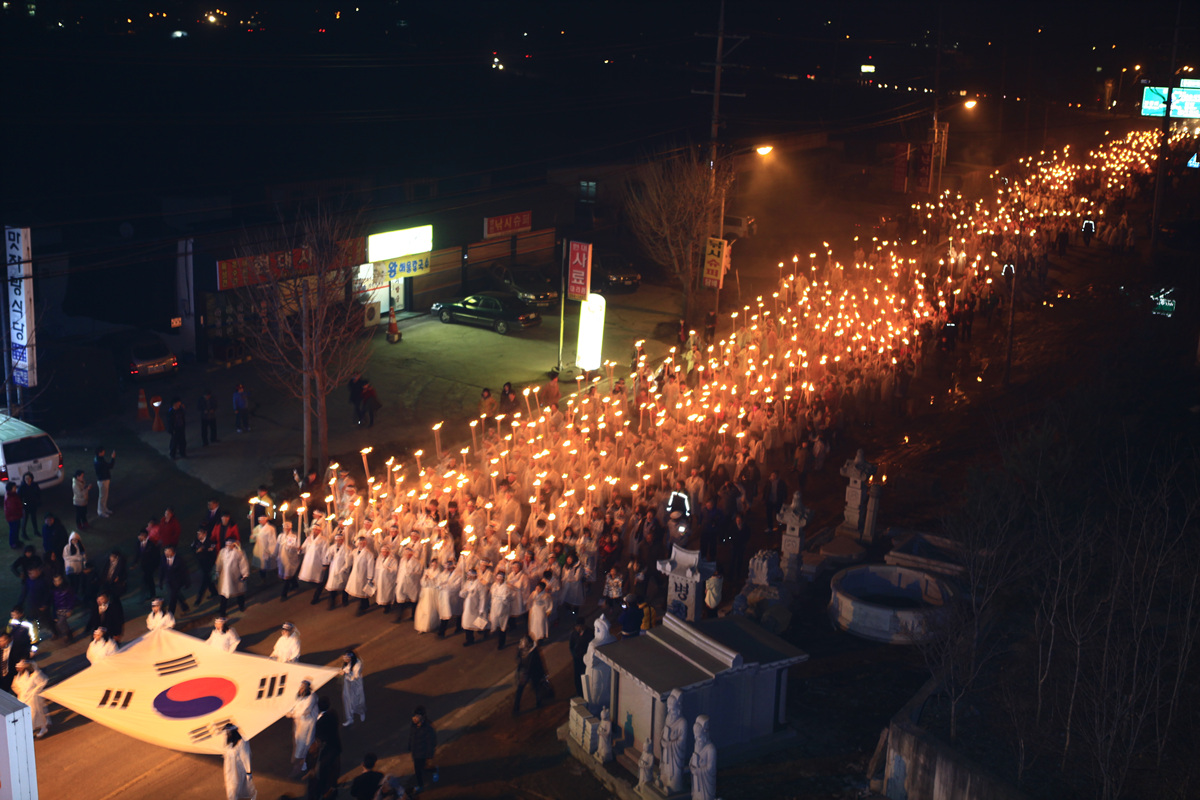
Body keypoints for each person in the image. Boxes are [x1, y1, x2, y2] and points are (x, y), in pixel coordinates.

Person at [309, 696, 343, 799]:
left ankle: (324, 790)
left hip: (327, 749)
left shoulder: (320, 722)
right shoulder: (333, 713)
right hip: (336, 745)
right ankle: (333, 788)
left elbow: (319, 738)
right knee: (335, 768)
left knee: (324, 771)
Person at [285, 679, 318, 777]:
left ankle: (301, 765)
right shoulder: (299, 696)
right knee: (298, 743)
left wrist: (293, 714)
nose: (301, 689)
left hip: (307, 725)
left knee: (306, 744)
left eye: (303, 688)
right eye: (300, 687)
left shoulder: (311, 697)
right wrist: (290, 711)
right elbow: (294, 706)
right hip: (299, 724)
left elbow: (305, 711)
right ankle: (302, 763)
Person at [13, 659, 49, 737]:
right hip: (23, 699)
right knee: (27, 715)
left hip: (33, 698)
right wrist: (21, 693)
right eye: (17, 668)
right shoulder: (17, 677)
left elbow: (43, 681)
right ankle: (38, 728)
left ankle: (37, 729)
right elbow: (15, 687)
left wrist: (35, 691)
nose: (18, 669)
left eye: (19, 667)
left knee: (34, 713)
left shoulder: (34, 675)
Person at [513, 634, 548, 714]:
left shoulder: (525, 650)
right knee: (532, 688)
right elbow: (538, 661)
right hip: (529, 671)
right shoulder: (530, 650)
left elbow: (518, 659)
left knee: (524, 689)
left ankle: (516, 708)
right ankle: (537, 703)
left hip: (528, 671)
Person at [407, 706, 437, 795]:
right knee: (420, 769)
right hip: (415, 752)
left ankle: (421, 785)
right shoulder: (413, 726)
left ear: (422, 717)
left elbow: (431, 742)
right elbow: (411, 737)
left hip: (422, 753)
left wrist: (429, 754)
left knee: (420, 769)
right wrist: (410, 746)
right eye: (414, 716)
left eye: (417, 716)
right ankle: (432, 771)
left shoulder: (427, 728)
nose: (414, 718)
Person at [216, 537, 250, 616]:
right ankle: (222, 612)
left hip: (236, 576)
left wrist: (245, 574)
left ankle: (241, 606)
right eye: (227, 545)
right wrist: (217, 571)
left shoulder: (238, 552)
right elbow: (219, 563)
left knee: (239, 592)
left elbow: (243, 563)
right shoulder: (222, 552)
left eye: (229, 545)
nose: (228, 546)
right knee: (224, 595)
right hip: (225, 578)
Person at [222, 723, 255, 800]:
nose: (226, 734)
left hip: (238, 771)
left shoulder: (242, 743)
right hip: (229, 772)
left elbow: (246, 757)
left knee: (237, 790)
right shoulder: (229, 743)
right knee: (231, 791)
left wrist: (249, 773)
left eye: (228, 732)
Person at [191, 527, 219, 606]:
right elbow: (192, 548)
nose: (198, 536)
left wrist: (204, 550)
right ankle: (214, 592)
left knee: (204, 582)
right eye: (198, 534)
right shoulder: (196, 541)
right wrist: (197, 551)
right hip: (201, 564)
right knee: (208, 580)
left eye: (200, 534)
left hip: (209, 565)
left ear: (204, 534)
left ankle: (198, 600)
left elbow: (212, 553)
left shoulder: (210, 542)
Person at [160, 545, 191, 617]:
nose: (166, 553)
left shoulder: (179, 560)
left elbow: (184, 571)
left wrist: (187, 582)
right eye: (165, 552)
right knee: (177, 595)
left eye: (168, 551)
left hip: (177, 581)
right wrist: (161, 581)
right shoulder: (163, 559)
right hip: (169, 581)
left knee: (173, 597)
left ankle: (170, 614)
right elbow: (162, 570)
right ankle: (185, 607)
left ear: (173, 552)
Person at [249, 513, 278, 585]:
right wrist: (252, 537)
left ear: (266, 520)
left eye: (262, 520)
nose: (260, 521)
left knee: (271, 564)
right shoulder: (256, 528)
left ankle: (276, 576)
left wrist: (271, 550)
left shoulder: (271, 528)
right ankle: (263, 579)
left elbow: (273, 540)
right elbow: (252, 540)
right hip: (259, 549)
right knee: (261, 565)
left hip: (267, 548)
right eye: (259, 520)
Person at [131, 528, 160, 600]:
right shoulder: (138, 544)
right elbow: (137, 554)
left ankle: (152, 594)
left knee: (149, 580)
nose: (139, 537)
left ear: (145, 536)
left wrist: (155, 566)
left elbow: (155, 556)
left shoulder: (151, 545)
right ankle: (149, 594)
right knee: (146, 580)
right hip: (143, 566)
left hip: (150, 566)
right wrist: (135, 563)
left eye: (141, 535)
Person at [277, 521, 302, 601]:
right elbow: (277, 546)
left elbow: (295, 547)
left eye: (288, 528)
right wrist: (274, 554)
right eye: (285, 528)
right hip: (282, 558)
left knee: (287, 576)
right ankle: (295, 584)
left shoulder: (293, 536)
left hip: (290, 558)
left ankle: (284, 594)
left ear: (290, 528)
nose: (286, 529)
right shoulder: (280, 536)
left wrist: (295, 548)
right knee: (287, 574)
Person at [341, 650, 365, 726]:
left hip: (356, 684)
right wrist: (343, 672)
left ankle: (361, 712)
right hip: (347, 683)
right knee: (347, 699)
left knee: (357, 699)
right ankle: (349, 718)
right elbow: (345, 670)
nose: (345, 659)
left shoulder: (358, 664)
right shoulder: (347, 663)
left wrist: (346, 672)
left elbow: (356, 675)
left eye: (347, 658)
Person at [51, 574, 76, 643]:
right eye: (55, 581)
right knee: (62, 623)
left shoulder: (67, 589)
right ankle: (68, 634)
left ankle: (68, 635)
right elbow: (54, 602)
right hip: (58, 609)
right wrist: (54, 613)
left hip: (65, 609)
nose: (57, 582)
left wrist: (70, 609)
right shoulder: (54, 590)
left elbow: (71, 599)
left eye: (58, 580)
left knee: (60, 623)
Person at [93, 446, 116, 518]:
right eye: (103, 451)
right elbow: (110, 466)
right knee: (103, 496)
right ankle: (101, 511)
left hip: (103, 479)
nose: (104, 452)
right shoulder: (100, 461)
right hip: (103, 480)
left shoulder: (98, 459)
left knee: (104, 496)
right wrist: (113, 458)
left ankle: (104, 508)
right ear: (99, 453)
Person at [18, 472, 40, 542]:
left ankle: (36, 531)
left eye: (29, 478)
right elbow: (19, 498)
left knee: (34, 518)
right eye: (26, 478)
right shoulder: (22, 487)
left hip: (33, 504)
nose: (28, 480)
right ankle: (23, 533)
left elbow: (38, 493)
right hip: (26, 505)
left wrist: (37, 501)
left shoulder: (34, 485)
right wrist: (24, 504)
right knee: (25, 520)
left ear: (31, 478)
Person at [5, 484, 24, 549]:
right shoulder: (10, 497)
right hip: (13, 517)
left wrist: (23, 504)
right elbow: (12, 508)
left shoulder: (14, 495)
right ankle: (13, 543)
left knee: (16, 530)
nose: (15, 488)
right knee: (13, 530)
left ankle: (16, 541)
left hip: (15, 516)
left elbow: (19, 503)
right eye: (14, 487)